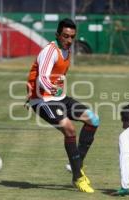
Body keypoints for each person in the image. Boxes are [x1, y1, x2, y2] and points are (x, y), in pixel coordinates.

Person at [26, 18, 99, 193]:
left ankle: (76, 164)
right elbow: (42, 77)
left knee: (93, 119)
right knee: (69, 128)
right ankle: (78, 177)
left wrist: (57, 92)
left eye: (72, 37)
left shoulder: (67, 51)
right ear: (58, 35)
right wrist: (50, 90)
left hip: (58, 98)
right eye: (65, 36)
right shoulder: (50, 51)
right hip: (42, 100)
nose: (69, 40)